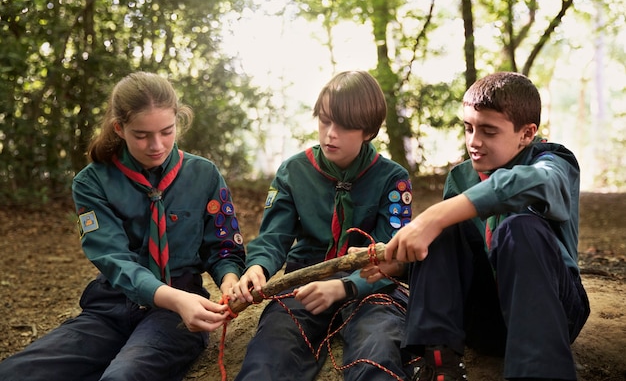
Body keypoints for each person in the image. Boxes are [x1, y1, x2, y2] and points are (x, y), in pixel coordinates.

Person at [0, 72, 246, 381]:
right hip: (111, 306)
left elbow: (223, 248)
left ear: (177, 123)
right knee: (14, 373)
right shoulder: (92, 182)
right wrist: (170, 296)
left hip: (177, 311)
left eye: (167, 131)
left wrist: (229, 280)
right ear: (120, 128)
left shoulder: (203, 175)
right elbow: (112, 258)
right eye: (142, 135)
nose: (157, 145)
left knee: (123, 376)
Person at [361, 72, 590, 381]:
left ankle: (539, 373)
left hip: (553, 312)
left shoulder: (552, 162)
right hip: (484, 320)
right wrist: (401, 266)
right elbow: (452, 262)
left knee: (518, 228)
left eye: (489, 131)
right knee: (447, 229)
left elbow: (535, 183)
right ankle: (439, 363)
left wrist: (435, 215)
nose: (474, 142)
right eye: (468, 128)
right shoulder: (461, 178)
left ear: (526, 133)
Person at [231, 70, 415, 381]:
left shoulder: (392, 179)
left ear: (368, 130)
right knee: (269, 356)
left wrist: (347, 286)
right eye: (325, 120)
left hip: (370, 284)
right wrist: (258, 268)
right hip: (304, 278)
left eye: (344, 127)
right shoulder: (293, 171)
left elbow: (392, 258)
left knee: (379, 351)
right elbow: (273, 236)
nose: (330, 133)